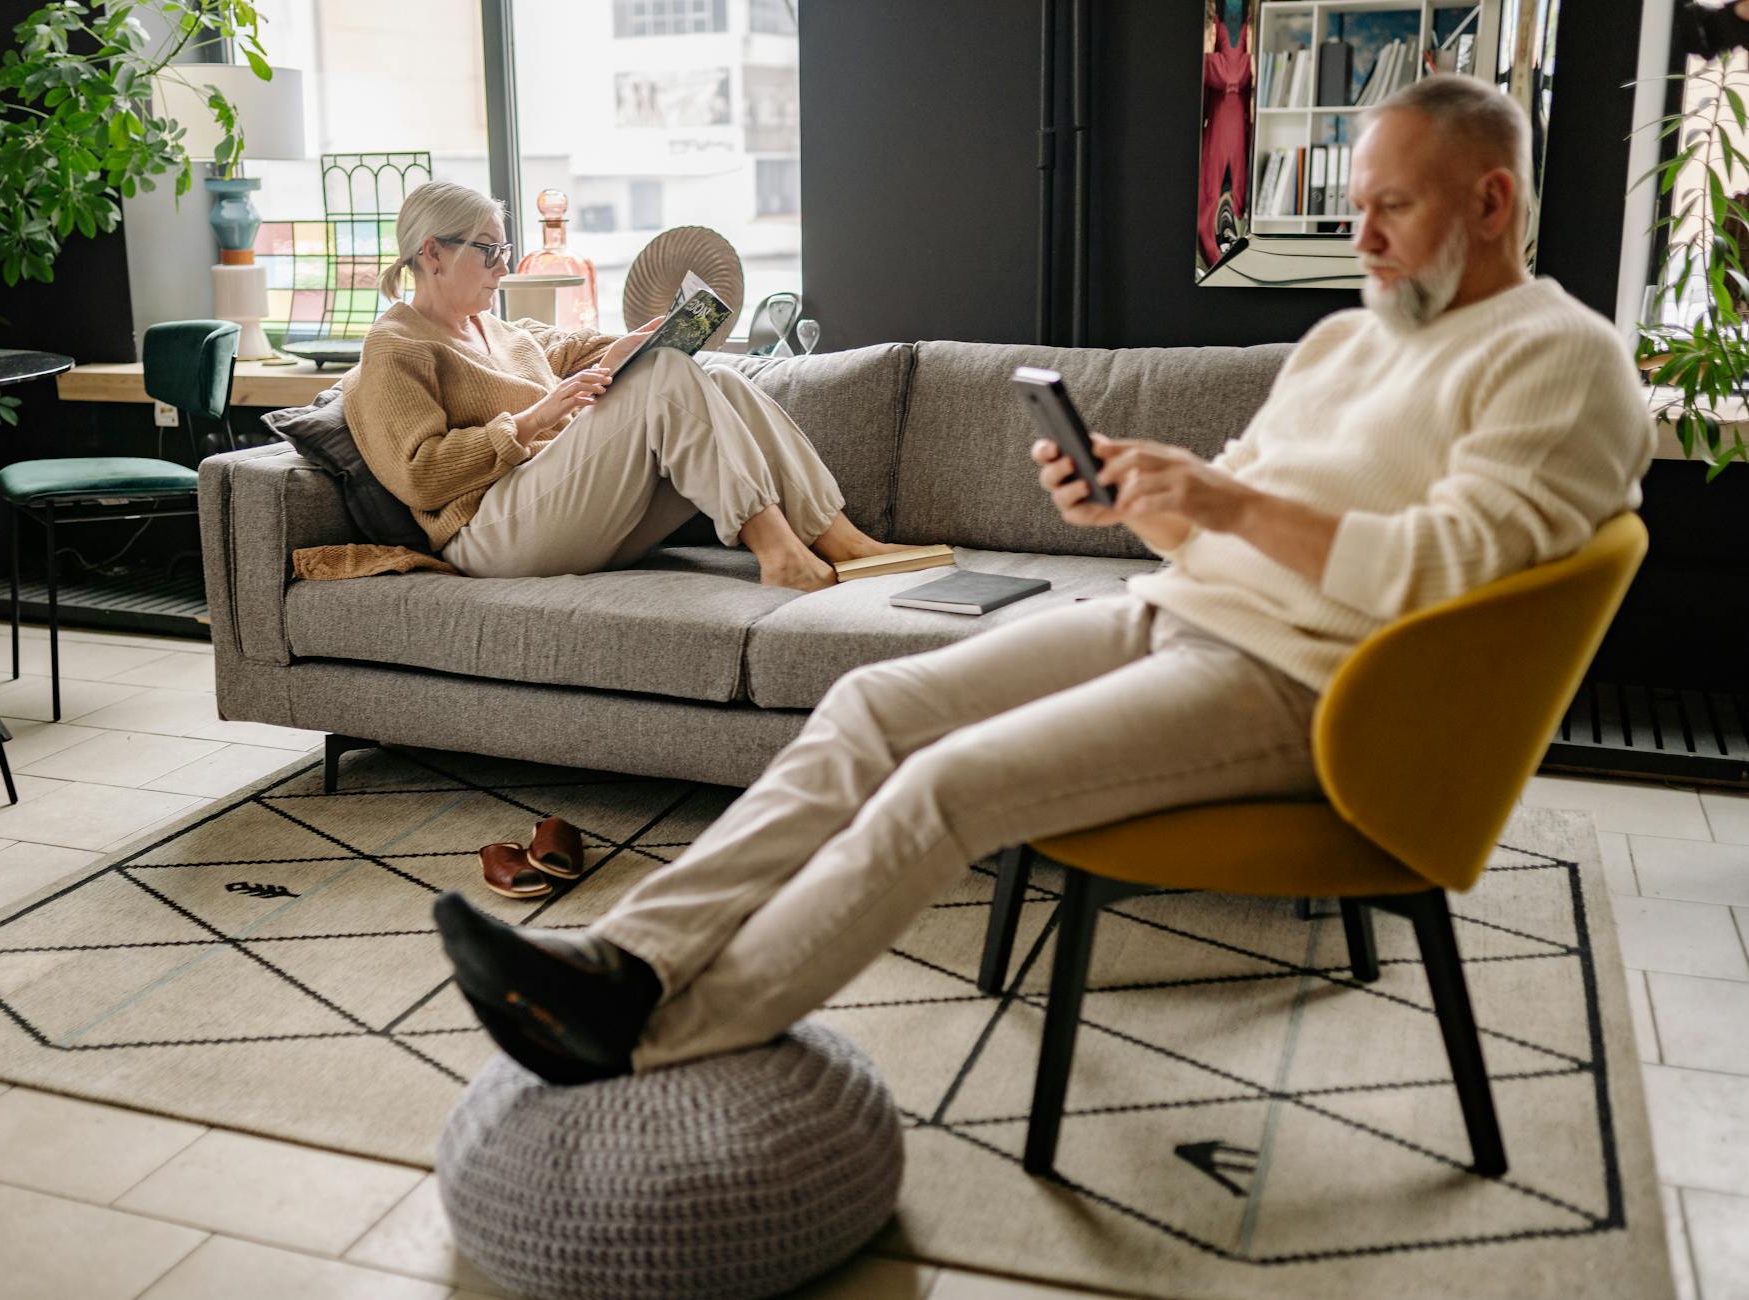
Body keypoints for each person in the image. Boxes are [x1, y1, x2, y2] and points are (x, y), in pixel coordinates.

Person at [434, 75, 1655, 1085]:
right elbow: (1224, 536)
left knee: (947, 787)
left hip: (1320, 690)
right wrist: (1151, 505)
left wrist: (1222, 500)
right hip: (1178, 619)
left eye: (1393, 207)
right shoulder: (1349, 340)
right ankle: (627, 961)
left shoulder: (1561, 360)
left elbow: (1446, 577)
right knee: (870, 708)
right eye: (1359, 205)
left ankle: (655, 1041)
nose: (1363, 237)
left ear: (1492, 201)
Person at [344, 180, 913, 591]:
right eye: (488, 249)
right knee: (665, 380)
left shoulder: (499, 328)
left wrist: (635, 343)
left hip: (563, 510)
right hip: (487, 534)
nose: (502, 266)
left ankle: (843, 540)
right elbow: (420, 474)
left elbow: (574, 349)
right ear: (432, 253)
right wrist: (538, 418)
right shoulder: (396, 346)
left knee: (719, 379)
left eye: (505, 250)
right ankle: (781, 556)